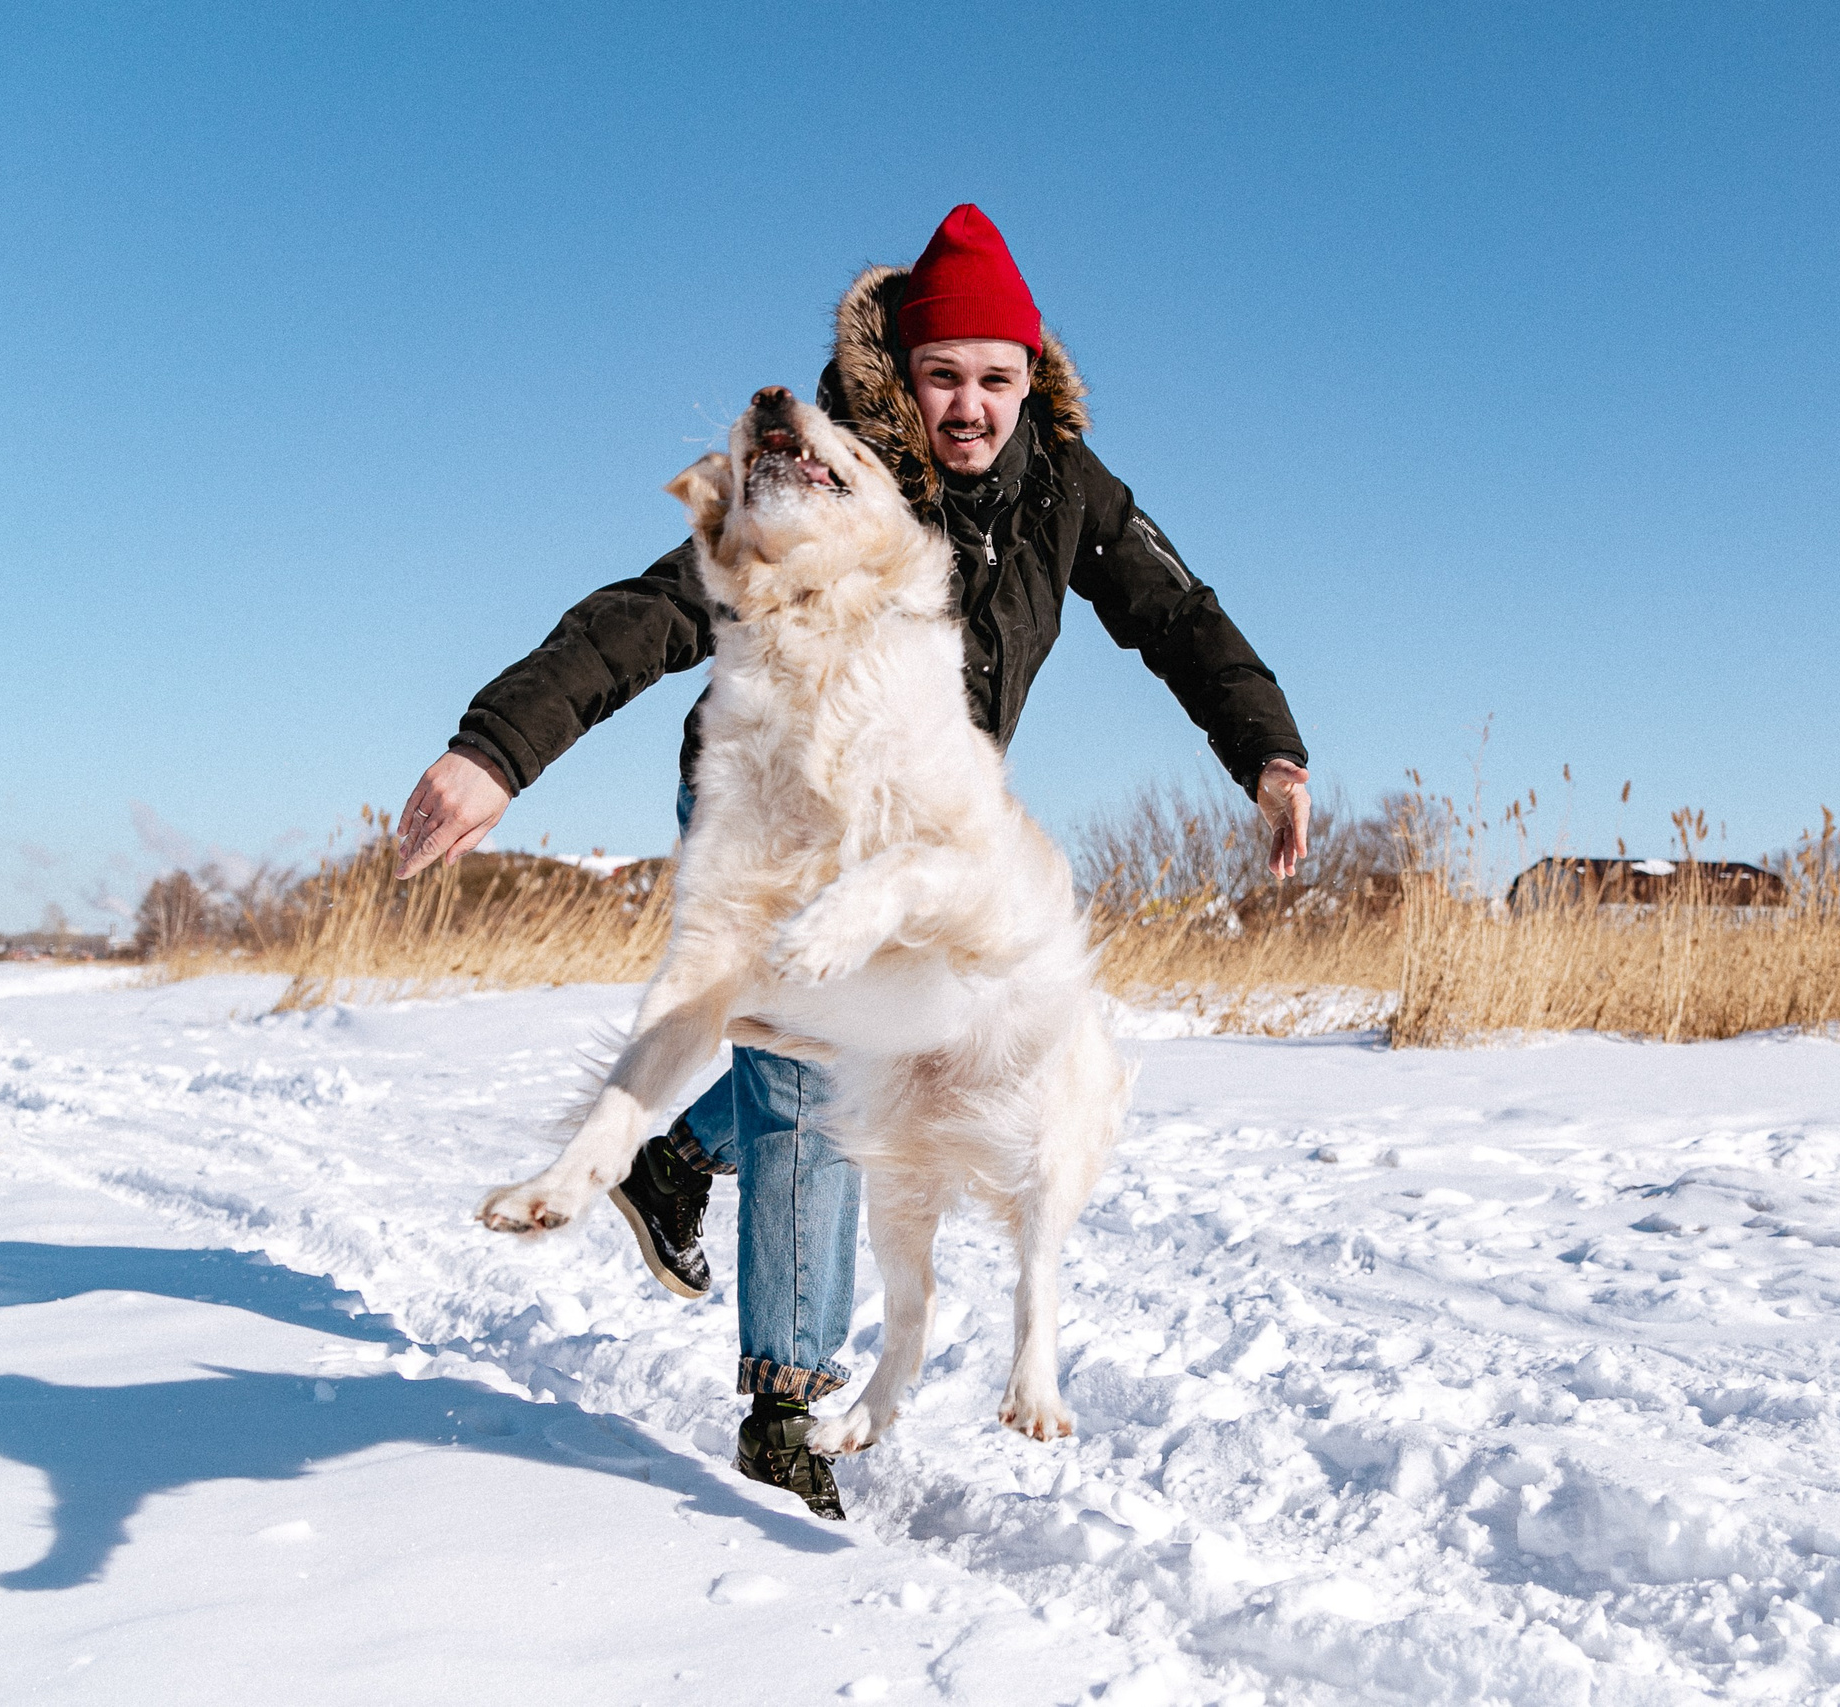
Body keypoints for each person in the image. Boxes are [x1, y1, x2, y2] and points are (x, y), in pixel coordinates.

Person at [394, 205, 1310, 1518]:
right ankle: (786, 1406)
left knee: (892, 1053)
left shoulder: (1066, 483)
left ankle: (674, 1159)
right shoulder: (831, 466)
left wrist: (1268, 754)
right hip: (782, 811)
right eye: (944, 376)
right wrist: (498, 746)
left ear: (1031, 379)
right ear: (906, 375)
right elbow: (663, 603)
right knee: (811, 1096)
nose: (970, 409)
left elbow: (1180, 615)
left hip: (929, 828)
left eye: (998, 380)